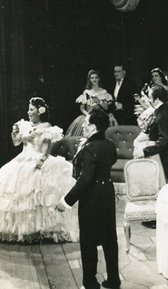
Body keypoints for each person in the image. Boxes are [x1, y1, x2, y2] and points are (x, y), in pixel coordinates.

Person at [0, 97, 79, 243]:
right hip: (23, 158)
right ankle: (22, 230)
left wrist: (42, 159)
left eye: (31, 109)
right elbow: (16, 143)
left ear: (40, 111)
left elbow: (46, 148)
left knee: (41, 195)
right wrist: (15, 133)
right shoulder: (24, 125)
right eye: (28, 109)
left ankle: (45, 229)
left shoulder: (46, 126)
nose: (28, 112)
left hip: (39, 158)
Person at [57, 109, 121, 289]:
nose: (83, 125)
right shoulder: (109, 144)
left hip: (91, 197)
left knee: (88, 241)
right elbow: (110, 161)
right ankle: (114, 280)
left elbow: (86, 178)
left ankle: (90, 283)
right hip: (107, 193)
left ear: (93, 126)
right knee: (110, 239)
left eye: (86, 123)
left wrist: (66, 201)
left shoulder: (89, 148)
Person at [143, 86, 168, 182]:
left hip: (165, 156)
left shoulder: (163, 114)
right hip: (162, 153)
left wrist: (148, 150)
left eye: (149, 97)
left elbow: (165, 139)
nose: (148, 100)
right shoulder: (161, 110)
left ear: (156, 99)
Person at [67, 69, 115, 136]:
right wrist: (87, 115)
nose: (94, 79)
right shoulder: (87, 92)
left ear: (99, 79)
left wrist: (99, 102)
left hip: (100, 117)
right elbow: (82, 107)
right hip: (88, 116)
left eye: (96, 77)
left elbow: (106, 107)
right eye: (92, 78)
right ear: (89, 80)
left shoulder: (104, 92)